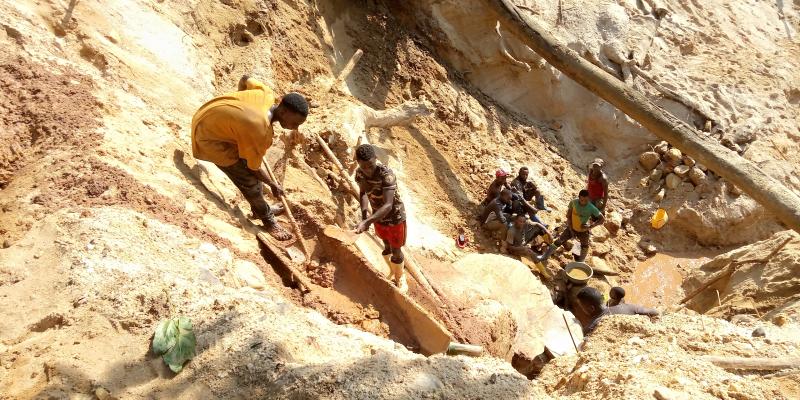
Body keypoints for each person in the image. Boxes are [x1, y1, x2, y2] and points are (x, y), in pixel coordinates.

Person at [191, 75, 308, 240]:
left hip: (207, 113)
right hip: (208, 137)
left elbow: (245, 79)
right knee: (250, 181)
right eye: (295, 123)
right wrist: (272, 184)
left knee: (252, 168)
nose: (295, 128)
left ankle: (259, 208)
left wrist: (240, 112)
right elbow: (253, 168)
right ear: (284, 111)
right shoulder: (259, 130)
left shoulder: (266, 94)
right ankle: (268, 220)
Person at [353, 144, 408, 291]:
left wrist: (367, 221)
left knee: (396, 251)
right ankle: (392, 271)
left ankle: (401, 278)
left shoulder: (386, 175)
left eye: (371, 165)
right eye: (364, 167)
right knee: (387, 247)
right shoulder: (359, 174)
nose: (368, 170)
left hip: (395, 217)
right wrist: (365, 214)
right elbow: (363, 193)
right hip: (378, 217)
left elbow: (388, 205)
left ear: (376, 159)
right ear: (358, 163)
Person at [537, 189, 604, 262]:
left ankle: (580, 263)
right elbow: (568, 216)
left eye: (586, 201)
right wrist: (571, 229)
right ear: (579, 197)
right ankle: (544, 257)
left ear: (589, 199)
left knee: (584, 246)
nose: (584, 202)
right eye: (582, 200)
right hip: (571, 227)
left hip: (583, 231)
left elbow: (602, 219)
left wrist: (591, 226)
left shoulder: (591, 207)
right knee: (559, 241)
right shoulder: (573, 203)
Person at [575, 287, 659, 334]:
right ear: (603, 298)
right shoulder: (629, 308)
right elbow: (655, 312)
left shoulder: (591, 327)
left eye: (582, 307)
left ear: (591, 309)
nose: (582, 309)